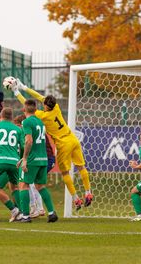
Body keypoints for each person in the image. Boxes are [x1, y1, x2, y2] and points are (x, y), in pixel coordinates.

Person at [11, 79, 92, 210]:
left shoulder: (43, 116)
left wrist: (17, 92)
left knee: (65, 172)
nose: (42, 104)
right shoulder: (57, 107)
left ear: (46, 106)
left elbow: (26, 105)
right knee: (81, 167)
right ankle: (88, 193)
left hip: (63, 144)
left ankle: (76, 199)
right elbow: (39, 96)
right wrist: (24, 87)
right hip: (73, 139)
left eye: (44, 104)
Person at [17, 99, 58, 223]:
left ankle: (25, 216)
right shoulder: (40, 122)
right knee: (40, 186)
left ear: (24, 109)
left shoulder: (26, 122)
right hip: (43, 159)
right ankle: (51, 213)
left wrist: (24, 159)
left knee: (23, 185)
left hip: (32, 160)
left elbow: (29, 141)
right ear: (35, 109)